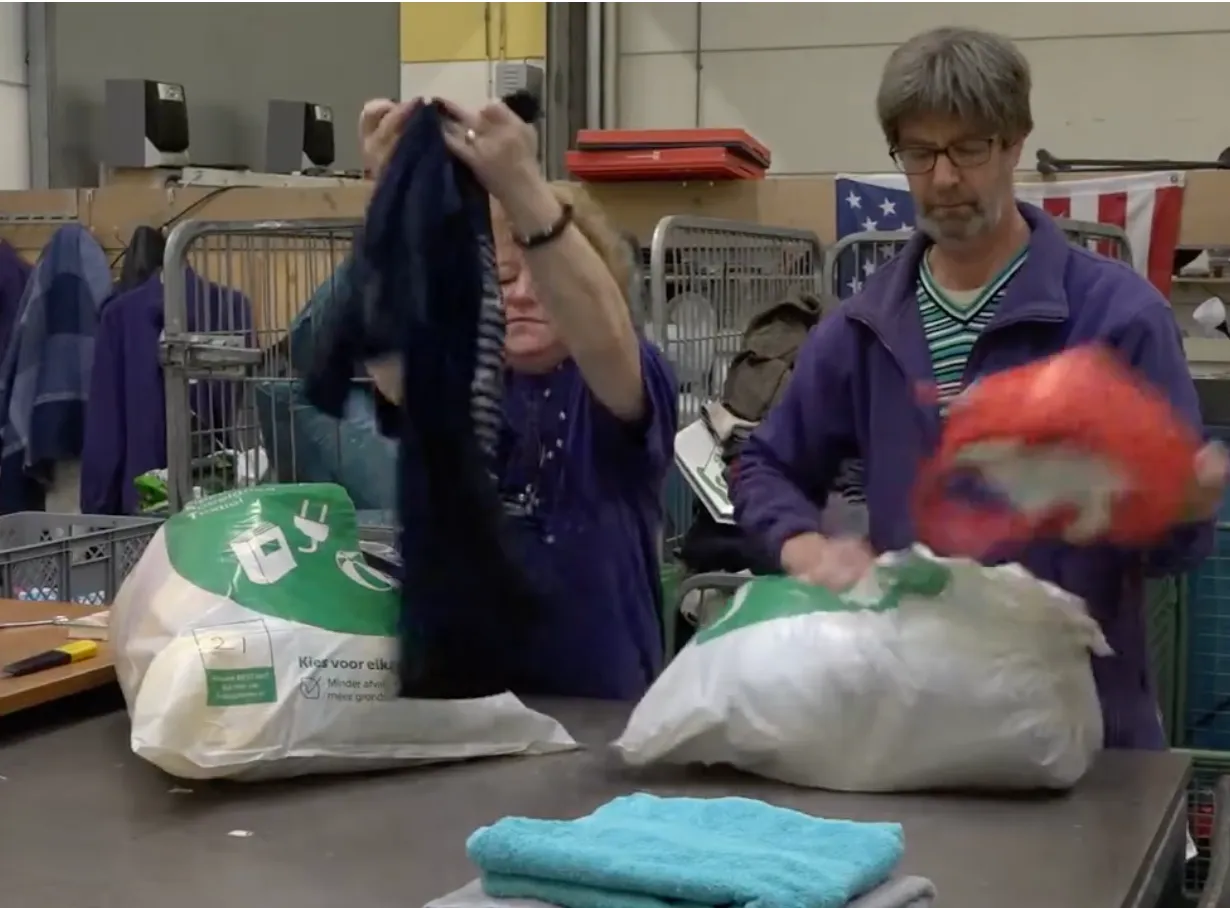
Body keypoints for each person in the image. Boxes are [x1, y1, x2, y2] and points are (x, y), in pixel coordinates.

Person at [731, 26, 1228, 750]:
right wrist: (806, 546)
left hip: (1083, 730)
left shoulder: (1117, 318)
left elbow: (1176, 549)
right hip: (919, 725)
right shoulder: (864, 329)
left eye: (969, 148)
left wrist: (1178, 503)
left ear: (1016, 142)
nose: (943, 179)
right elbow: (767, 465)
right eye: (920, 152)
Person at [357, 96, 679, 700]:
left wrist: (521, 185)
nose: (524, 295)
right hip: (461, 715)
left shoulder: (617, 381)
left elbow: (607, 336)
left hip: (595, 715)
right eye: (504, 278)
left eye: (545, 277)